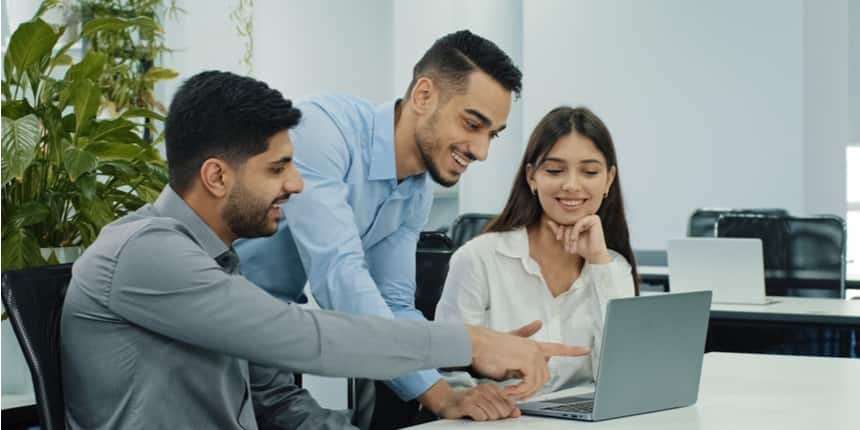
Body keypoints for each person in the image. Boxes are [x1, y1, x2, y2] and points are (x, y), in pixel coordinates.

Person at [60, 72, 590, 430]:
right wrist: (468, 344)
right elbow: (307, 337)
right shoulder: (145, 253)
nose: (296, 185)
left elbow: (275, 398)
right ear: (216, 176)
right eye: (277, 169)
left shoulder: (221, 264)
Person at [235, 30, 533, 426]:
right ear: (423, 95)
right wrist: (467, 347)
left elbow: (394, 303)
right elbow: (340, 277)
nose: (481, 151)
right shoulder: (322, 131)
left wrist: (444, 396)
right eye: (472, 124)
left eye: (492, 134)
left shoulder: (417, 190)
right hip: (214, 327)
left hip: (270, 341)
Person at [435, 106, 639, 395]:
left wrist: (598, 263)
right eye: (554, 170)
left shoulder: (614, 268)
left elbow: (627, 376)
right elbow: (444, 369)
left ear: (608, 180)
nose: (571, 185)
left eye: (590, 172)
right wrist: (477, 393)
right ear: (532, 177)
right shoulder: (478, 259)